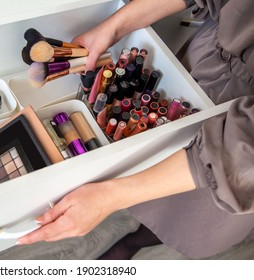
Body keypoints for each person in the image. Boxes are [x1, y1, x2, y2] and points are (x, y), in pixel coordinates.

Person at [17, 0, 254, 259]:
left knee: (191, 212)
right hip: (204, 61)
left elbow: (242, 157)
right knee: (145, 175)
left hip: (237, 159)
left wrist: (109, 196)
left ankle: (134, 242)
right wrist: (112, 28)